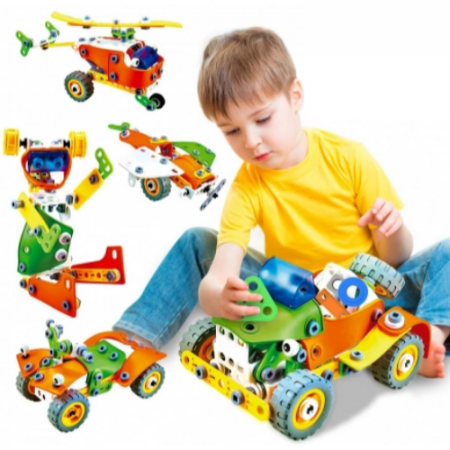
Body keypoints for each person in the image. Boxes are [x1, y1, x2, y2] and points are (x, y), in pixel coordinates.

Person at [114, 27, 449, 378]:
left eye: (262, 119)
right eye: (231, 131)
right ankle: (132, 340)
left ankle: (430, 337)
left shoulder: (349, 156)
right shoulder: (247, 188)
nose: (251, 141)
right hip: (292, 302)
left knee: (447, 253)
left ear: (295, 96)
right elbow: (221, 272)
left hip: (368, 300)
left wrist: (391, 230)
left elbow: (396, 259)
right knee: (197, 241)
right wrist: (218, 297)